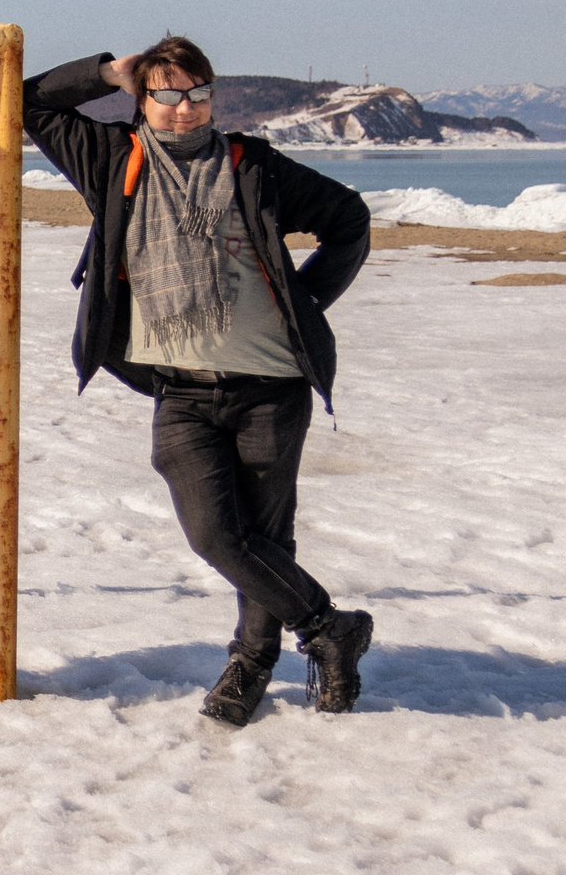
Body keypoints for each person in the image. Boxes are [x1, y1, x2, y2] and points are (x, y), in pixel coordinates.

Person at [24, 37, 377, 727]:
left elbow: (349, 221)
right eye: (166, 94)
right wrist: (104, 71)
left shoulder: (253, 167)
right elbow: (28, 102)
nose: (184, 110)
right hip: (181, 390)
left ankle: (250, 663)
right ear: (142, 99)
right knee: (218, 532)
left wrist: (300, 305)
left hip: (270, 385)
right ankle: (332, 627)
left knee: (266, 536)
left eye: (197, 95)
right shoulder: (111, 160)